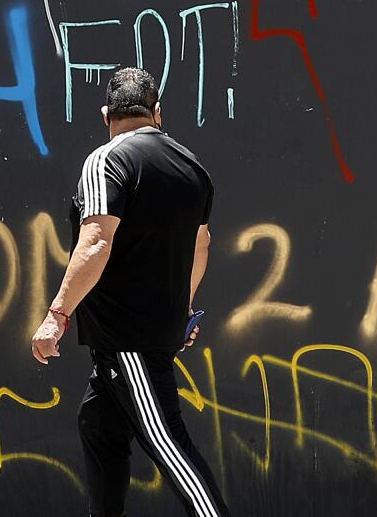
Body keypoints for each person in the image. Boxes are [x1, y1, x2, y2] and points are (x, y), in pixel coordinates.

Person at [30, 67, 229, 517]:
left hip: (128, 340)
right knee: (97, 425)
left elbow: (96, 241)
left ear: (107, 115)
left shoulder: (107, 161)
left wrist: (56, 316)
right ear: (157, 113)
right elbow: (202, 244)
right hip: (138, 338)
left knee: (168, 446)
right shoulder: (191, 167)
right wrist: (183, 309)